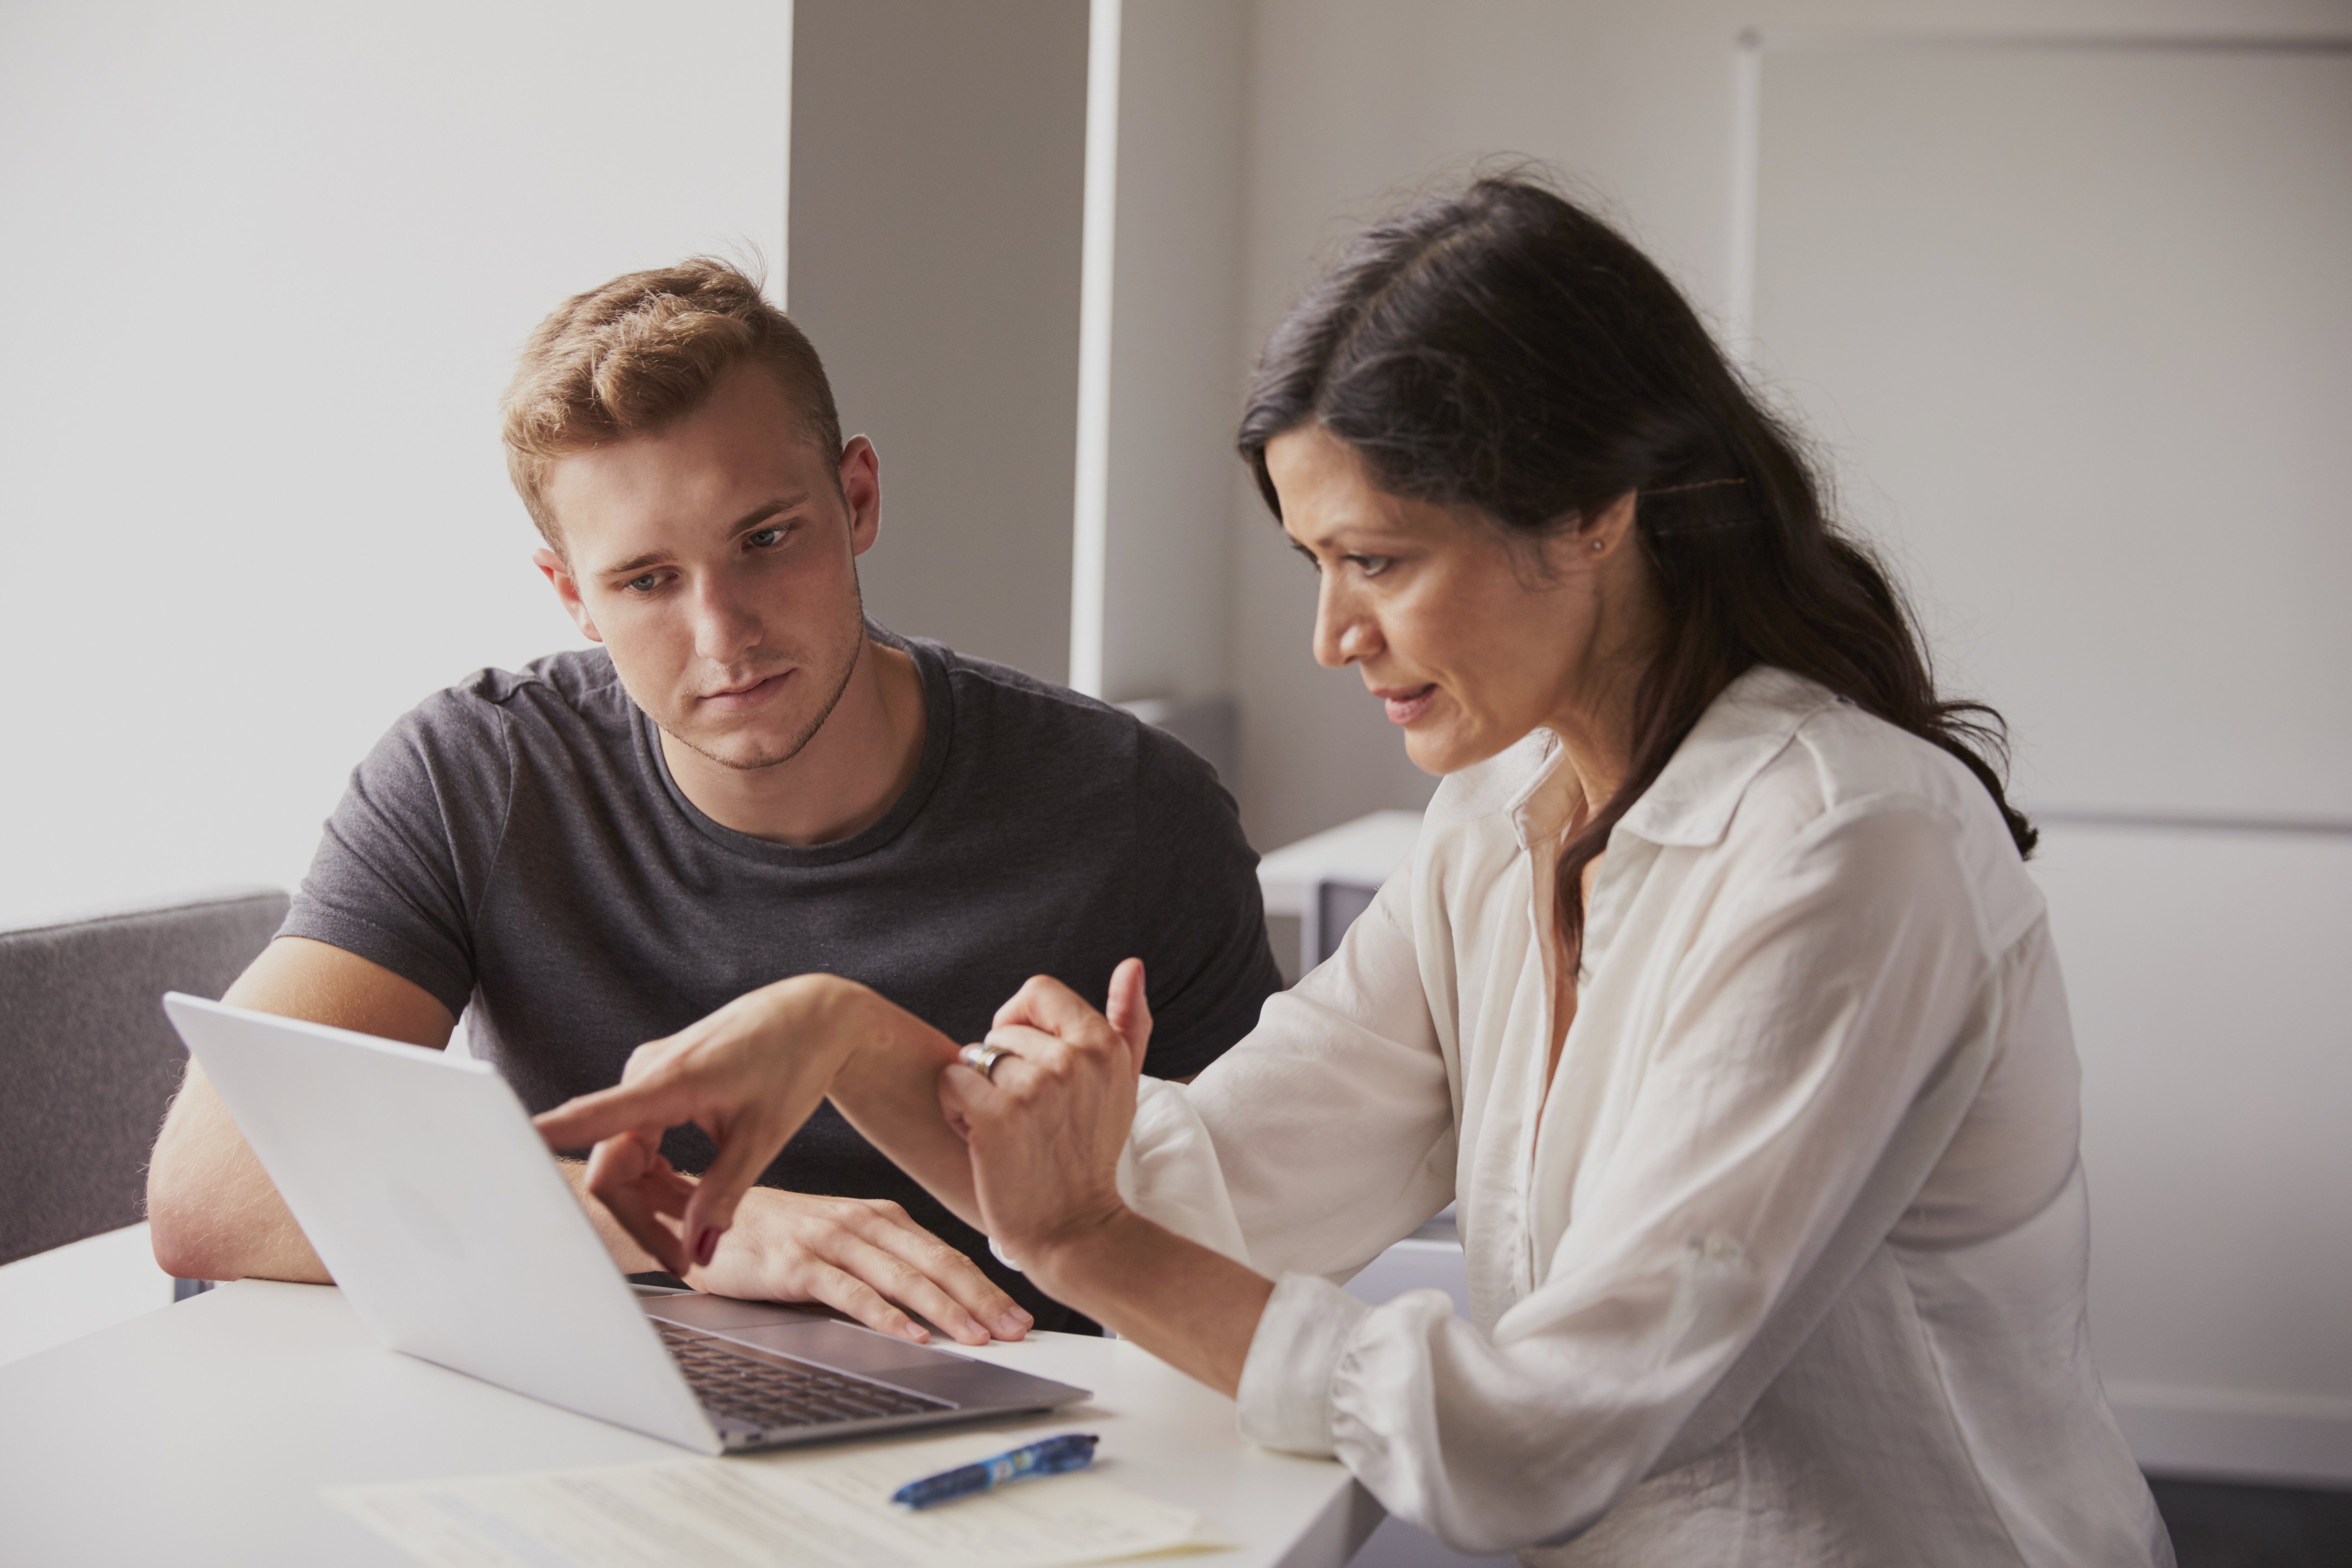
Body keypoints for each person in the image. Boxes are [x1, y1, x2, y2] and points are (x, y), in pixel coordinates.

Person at [531, 179, 2172, 1564]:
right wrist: (836, 1029)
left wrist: (1091, 1240)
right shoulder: (1505, 816)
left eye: (1376, 561)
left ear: (1593, 512)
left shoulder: (1839, 844)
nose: (1330, 634)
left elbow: (1536, 1438)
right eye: (1316, 564)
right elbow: (1210, 1197)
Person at [145, 258, 1284, 1346]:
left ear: (858, 497)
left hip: (1031, 1436)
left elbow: (1271, 1266)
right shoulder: (475, 775)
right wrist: (693, 1229)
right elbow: (212, 1191)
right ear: (569, 594)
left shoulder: (1135, 811)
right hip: (610, 1404)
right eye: (645, 581)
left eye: (766, 539)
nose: (721, 633)